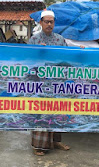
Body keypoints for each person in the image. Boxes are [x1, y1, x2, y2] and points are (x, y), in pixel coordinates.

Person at [28, 9, 70, 156]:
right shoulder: (34, 40)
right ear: (41, 23)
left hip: (57, 84)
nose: (49, 24)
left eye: (51, 22)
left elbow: (67, 58)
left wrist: (80, 52)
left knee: (57, 111)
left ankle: (56, 141)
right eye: (46, 21)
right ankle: (38, 146)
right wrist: (38, 52)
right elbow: (27, 60)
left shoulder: (60, 39)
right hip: (40, 84)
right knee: (41, 114)